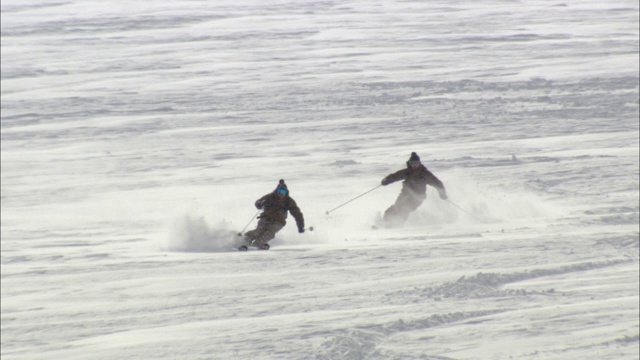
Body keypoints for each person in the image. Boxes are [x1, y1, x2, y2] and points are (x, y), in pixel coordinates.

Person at [380, 152, 447, 227]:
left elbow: (437, 183)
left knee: (405, 209)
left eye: (416, 163)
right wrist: (386, 180)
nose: (414, 166)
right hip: (405, 194)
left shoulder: (425, 174)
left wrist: (442, 193)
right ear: (410, 164)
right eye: (413, 163)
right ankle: (384, 223)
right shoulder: (407, 172)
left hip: (418, 197)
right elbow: (395, 176)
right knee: (396, 208)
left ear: (419, 163)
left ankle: (397, 224)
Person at [242, 179, 305, 250]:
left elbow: (298, 215)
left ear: (286, 193)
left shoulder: (289, 201)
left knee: (269, 233)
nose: (281, 194)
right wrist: (260, 204)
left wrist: (301, 226)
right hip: (265, 218)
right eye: (280, 191)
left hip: (279, 222)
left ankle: (256, 244)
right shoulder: (270, 197)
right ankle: (243, 240)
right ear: (277, 191)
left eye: (283, 192)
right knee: (258, 231)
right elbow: (258, 202)